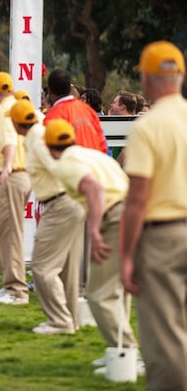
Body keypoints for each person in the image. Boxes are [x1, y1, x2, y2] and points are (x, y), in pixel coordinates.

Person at [44, 118, 139, 374]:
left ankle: (128, 352)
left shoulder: (65, 164)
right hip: (131, 213)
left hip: (114, 218)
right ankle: (120, 348)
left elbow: (95, 190)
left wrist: (95, 231)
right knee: (118, 291)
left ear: (49, 146)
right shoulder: (92, 155)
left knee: (99, 294)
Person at [121, 40, 187, 391]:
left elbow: (137, 199)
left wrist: (127, 254)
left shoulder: (148, 127)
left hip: (164, 238)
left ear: (146, 79)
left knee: (165, 339)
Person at [8, 100, 85, 333]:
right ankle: (70, 319)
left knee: (42, 266)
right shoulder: (40, 129)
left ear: (15, 123)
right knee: (67, 269)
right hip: (73, 201)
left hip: (60, 203)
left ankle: (60, 321)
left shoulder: (36, 139)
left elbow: (56, 166)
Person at [0, 72, 31, 305]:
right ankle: (10, 285)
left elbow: (9, 142)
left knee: (7, 233)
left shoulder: (4, 110)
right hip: (21, 174)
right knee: (5, 231)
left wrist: (6, 167)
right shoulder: (18, 106)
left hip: (12, 175)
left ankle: (16, 290)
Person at [44, 68, 108, 153]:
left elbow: (49, 151)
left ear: (49, 90)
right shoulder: (88, 110)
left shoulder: (53, 117)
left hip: (72, 164)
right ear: (69, 88)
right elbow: (102, 143)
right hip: (94, 163)